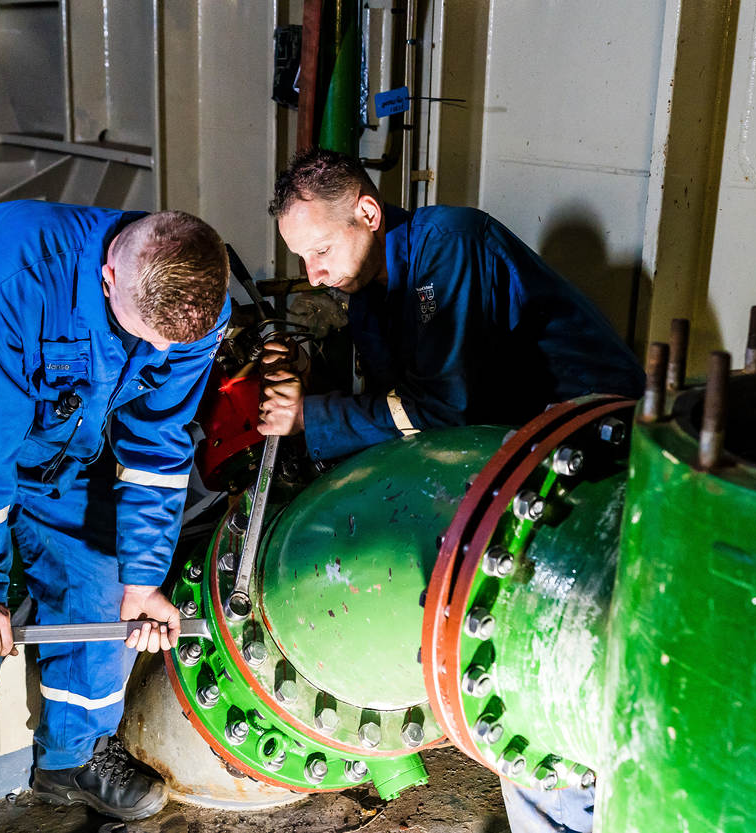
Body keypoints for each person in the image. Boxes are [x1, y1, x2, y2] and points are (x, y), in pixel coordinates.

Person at [258, 148, 643, 833]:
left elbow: (441, 410)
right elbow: (398, 406)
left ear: (367, 213)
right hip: (516, 462)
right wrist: (308, 379)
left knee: (550, 671)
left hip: (593, 463)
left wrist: (307, 416)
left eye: (320, 251)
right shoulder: (371, 291)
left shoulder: (450, 243)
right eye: (302, 258)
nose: (312, 274)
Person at [0, 200, 230, 833]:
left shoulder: (196, 306)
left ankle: (70, 760)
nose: (157, 351)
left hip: (62, 435)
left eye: (170, 345)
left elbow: (156, 444)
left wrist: (143, 580)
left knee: (100, 591)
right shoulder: (12, 278)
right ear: (108, 276)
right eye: (145, 334)